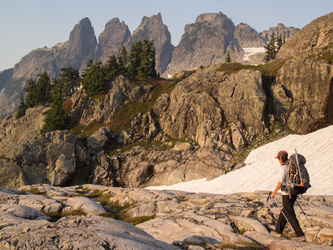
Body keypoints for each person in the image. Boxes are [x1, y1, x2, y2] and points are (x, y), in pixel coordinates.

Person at [270, 150, 306, 242]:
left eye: (278, 158)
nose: (278, 160)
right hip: (294, 191)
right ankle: (278, 231)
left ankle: (300, 234)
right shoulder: (291, 165)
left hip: (287, 192)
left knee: (289, 212)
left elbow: (280, 182)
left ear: (281, 158)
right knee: (285, 210)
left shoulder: (283, 168)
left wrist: (273, 193)